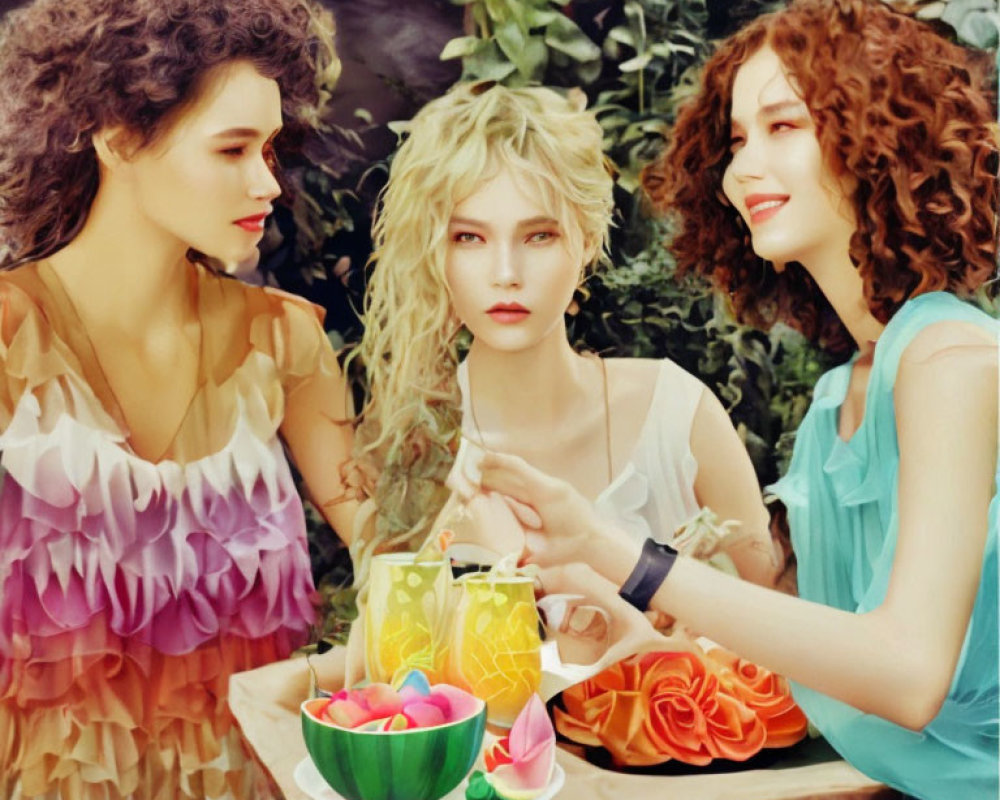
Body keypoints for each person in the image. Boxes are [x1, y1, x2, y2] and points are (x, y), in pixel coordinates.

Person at [467, 2, 999, 798]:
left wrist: (621, 553)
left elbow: (906, 675)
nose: (742, 168)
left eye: (783, 126)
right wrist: (607, 605)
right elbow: (813, 654)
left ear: (875, 138)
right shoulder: (839, 397)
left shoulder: (953, 362)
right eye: (739, 139)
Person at [0, 1, 357, 797]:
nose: (266, 180)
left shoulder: (283, 342)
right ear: (118, 136)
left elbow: (402, 550)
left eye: (268, 149)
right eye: (231, 148)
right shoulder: (9, 339)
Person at [351, 81, 782, 589]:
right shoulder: (410, 440)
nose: (506, 272)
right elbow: (393, 654)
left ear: (586, 240)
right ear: (434, 253)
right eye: (469, 238)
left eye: (539, 236)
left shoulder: (679, 416)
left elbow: (776, 636)